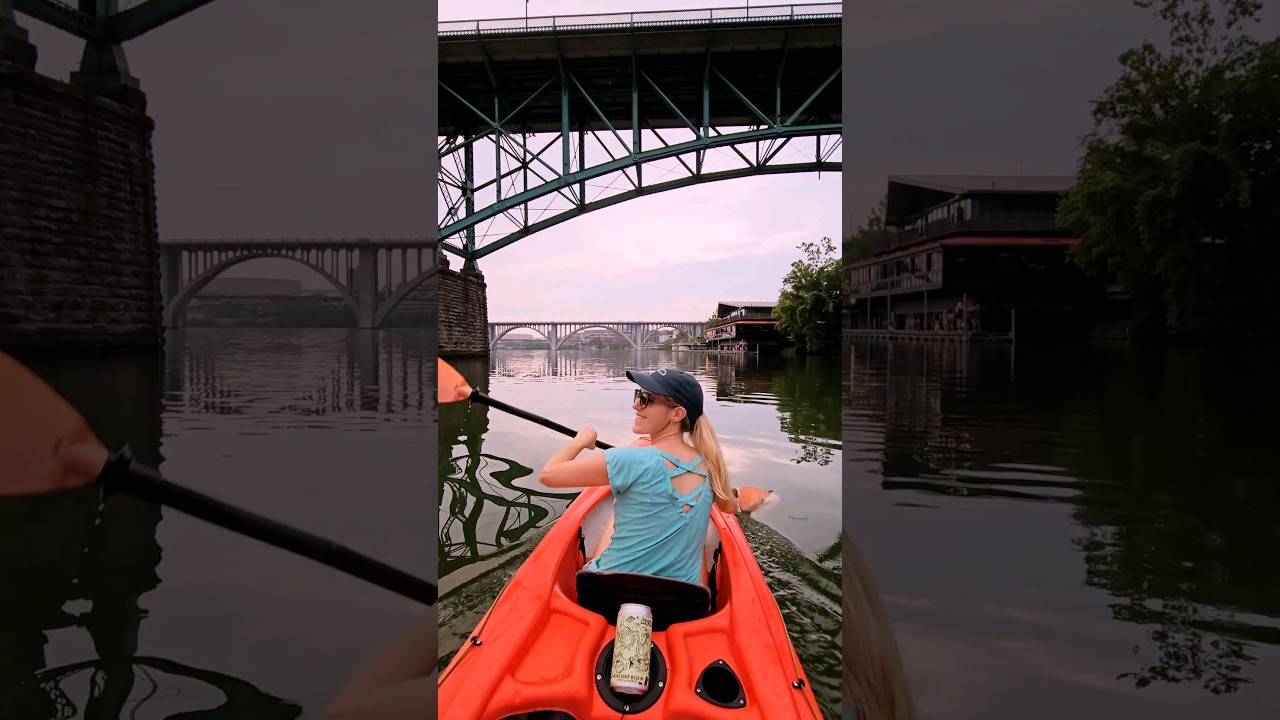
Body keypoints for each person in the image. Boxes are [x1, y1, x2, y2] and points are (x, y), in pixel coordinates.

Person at [538, 368, 738, 585]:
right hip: (684, 603)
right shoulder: (712, 466)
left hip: (606, 594)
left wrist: (581, 440)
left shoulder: (628, 459)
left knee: (618, 508)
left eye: (646, 400)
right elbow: (729, 507)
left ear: (677, 414)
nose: (635, 405)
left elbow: (548, 475)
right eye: (637, 395)